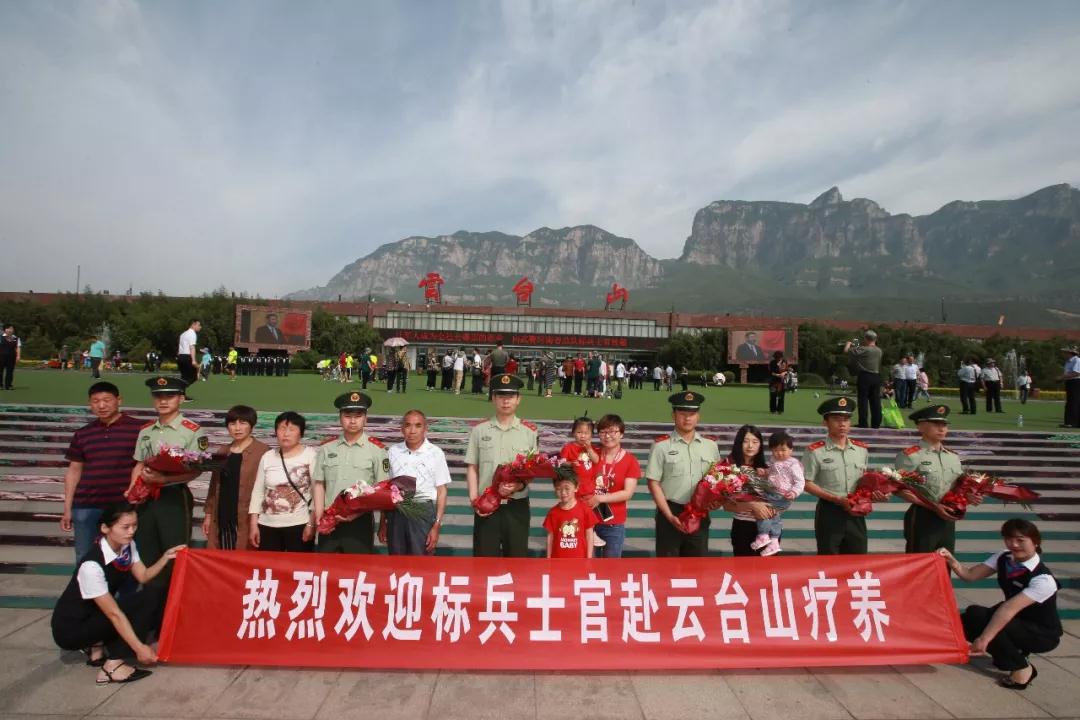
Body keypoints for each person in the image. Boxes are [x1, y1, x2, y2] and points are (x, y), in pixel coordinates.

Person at [51, 503, 182, 685]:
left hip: (93, 616)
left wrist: (165, 557)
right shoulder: (92, 565)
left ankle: (99, 647)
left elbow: (143, 576)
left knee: (154, 592)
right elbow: (114, 614)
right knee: (142, 602)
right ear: (105, 528)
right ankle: (113, 666)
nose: (131, 532)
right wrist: (140, 648)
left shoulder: (127, 546)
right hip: (71, 629)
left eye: (134, 526)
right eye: (125, 527)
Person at [940, 519, 1062, 690]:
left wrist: (984, 639)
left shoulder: (1043, 579)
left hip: (1041, 633)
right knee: (970, 617)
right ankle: (1012, 654)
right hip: (1014, 621)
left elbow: (1008, 609)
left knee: (988, 624)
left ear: (1035, 542)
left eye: (1020, 540)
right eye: (1009, 539)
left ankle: (1022, 668)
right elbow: (970, 575)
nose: (1014, 544)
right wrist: (951, 560)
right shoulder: (1004, 557)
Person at [128, 376, 206, 591]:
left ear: (181, 399)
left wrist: (165, 479)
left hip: (173, 496)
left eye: (170, 396)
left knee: (175, 551)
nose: (163, 401)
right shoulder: (146, 430)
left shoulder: (192, 430)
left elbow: (196, 470)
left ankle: (172, 603)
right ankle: (151, 604)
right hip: (145, 498)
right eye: (158, 396)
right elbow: (139, 464)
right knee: (146, 549)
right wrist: (132, 491)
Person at [62, 382, 146, 562]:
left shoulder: (139, 429)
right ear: (90, 404)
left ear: (119, 400)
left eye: (107, 400)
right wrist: (67, 508)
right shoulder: (83, 434)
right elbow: (74, 471)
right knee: (85, 555)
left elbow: (143, 464)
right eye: (96, 401)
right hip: (86, 504)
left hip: (122, 505)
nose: (101, 405)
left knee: (125, 557)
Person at [466, 373, 538, 557]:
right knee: (484, 559)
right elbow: (472, 467)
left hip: (517, 506)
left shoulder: (529, 432)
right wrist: (474, 499)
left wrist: (518, 485)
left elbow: (532, 471)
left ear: (518, 399)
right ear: (493, 398)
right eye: (501, 396)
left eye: (511, 396)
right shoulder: (479, 430)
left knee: (516, 559)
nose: (506, 401)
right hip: (486, 505)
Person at [645, 392, 720, 557]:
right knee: (667, 565)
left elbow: (717, 479)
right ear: (673, 415)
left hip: (699, 513)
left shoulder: (710, 446)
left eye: (692, 414)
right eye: (682, 414)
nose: (687, 418)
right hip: (670, 512)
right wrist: (669, 515)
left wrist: (716, 501)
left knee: (697, 565)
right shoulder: (661, 446)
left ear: (698, 416)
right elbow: (653, 483)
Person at [313, 392, 388, 553]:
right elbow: (319, 483)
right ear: (340, 418)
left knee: (357, 566)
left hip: (360, 521)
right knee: (326, 566)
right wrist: (319, 513)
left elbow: (381, 488)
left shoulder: (377, 450)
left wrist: (356, 513)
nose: (353, 421)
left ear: (365, 419)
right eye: (347, 416)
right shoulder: (327, 448)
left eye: (358, 416)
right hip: (329, 519)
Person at [802, 397, 871, 554]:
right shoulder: (815, 451)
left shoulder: (861, 450)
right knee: (829, 557)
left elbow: (865, 479)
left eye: (846, 419)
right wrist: (835, 499)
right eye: (836, 419)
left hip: (856, 510)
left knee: (858, 557)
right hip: (830, 511)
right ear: (825, 422)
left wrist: (875, 493)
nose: (842, 424)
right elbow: (806, 482)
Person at [895, 404, 966, 553]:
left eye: (944, 425)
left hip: (948, 515)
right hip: (923, 515)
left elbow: (959, 485)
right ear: (920, 427)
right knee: (920, 561)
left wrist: (969, 496)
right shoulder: (911, 455)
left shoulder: (953, 457)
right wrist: (933, 506)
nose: (941, 429)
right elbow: (898, 488)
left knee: (945, 560)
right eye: (936, 424)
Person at [383, 410, 451, 555]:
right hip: (396, 511)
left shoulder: (436, 453)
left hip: (422, 512)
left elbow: (442, 491)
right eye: (408, 425)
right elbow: (385, 488)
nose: (412, 431)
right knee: (396, 560)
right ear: (402, 429)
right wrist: (384, 521)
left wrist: (437, 525)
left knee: (420, 560)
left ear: (425, 428)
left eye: (418, 426)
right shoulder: (392, 452)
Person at [202, 405, 269, 550]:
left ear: (252, 425)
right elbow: (214, 485)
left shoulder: (263, 452)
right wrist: (208, 514)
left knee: (245, 556)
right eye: (232, 423)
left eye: (243, 423)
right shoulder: (222, 451)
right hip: (222, 514)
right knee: (222, 553)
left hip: (247, 516)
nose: (237, 428)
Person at [248, 411, 315, 552]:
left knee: (297, 564)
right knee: (268, 565)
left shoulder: (310, 455)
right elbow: (258, 491)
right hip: (267, 524)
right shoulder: (267, 456)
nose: (286, 434)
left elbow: (318, 493)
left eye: (292, 429)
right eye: (282, 428)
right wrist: (254, 524)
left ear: (301, 433)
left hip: (299, 523)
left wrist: (311, 524)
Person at [585, 414, 640, 558]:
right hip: (588, 521)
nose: (607, 436)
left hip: (613, 524)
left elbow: (627, 493)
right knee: (587, 565)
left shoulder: (630, 461)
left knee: (611, 567)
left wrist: (600, 498)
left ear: (621, 434)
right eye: (603, 432)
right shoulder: (591, 454)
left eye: (612, 432)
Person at [750, 431, 805, 556]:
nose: (779, 453)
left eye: (783, 450)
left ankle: (763, 535)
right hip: (771, 492)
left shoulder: (793, 464)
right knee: (774, 517)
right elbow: (770, 472)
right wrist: (764, 472)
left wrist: (794, 492)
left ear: (791, 450)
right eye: (775, 450)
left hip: (782, 495)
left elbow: (800, 482)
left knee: (765, 512)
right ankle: (774, 541)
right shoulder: (773, 460)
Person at [721, 425, 773, 556]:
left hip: (769, 528)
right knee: (744, 567)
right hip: (743, 527)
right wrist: (752, 506)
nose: (750, 446)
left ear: (760, 444)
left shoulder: (768, 469)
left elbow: (780, 499)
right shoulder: (729, 468)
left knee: (768, 568)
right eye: (746, 441)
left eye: (755, 442)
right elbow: (726, 505)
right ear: (739, 443)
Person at [543, 467, 597, 558]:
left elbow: (589, 535)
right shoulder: (553, 513)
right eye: (558, 489)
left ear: (576, 487)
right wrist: (548, 559)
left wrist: (589, 558)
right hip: (557, 560)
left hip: (580, 561)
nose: (563, 492)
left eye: (567, 488)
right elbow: (550, 537)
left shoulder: (585, 510)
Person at [845, 330, 883, 429]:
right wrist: (856, 346)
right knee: (875, 401)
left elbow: (847, 351)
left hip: (865, 376)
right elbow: (861, 349)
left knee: (863, 400)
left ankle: (863, 423)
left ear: (866, 338)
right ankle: (876, 424)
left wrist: (848, 344)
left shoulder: (864, 349)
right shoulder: (879, 350)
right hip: (876, 376)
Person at [176, 319, 200, 389]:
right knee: (193, 377)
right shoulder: (192, 333)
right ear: (193, 325)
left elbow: (180, 347)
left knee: (184, 377)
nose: (200, 327)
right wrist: (193, 360)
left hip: (180, 357)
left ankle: (181, 393)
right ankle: (178, 389)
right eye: (198, 325)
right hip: (187, 357)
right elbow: (192, 347)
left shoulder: (183, 334)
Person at [1059, 346, 1080, 427]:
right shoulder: (1068, 362)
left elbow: (1076, 373)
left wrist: (1061, 377)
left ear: (1070, 353)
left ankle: (1073, 423)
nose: (1064, 354)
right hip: (1070, 382)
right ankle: (1068, 422)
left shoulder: (1077, 360)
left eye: (1065, 352)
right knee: (1070, 402)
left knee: (1074, 402)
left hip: (1076, 382)